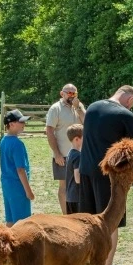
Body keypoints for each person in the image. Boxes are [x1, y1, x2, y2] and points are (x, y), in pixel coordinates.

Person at [79, 85, 133, 265]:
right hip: (108, 175)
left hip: (86, 170)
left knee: (90, 221)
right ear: (130, 100)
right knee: (110, 222)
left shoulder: (93, 108)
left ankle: (95, 261)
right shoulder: (125, 115)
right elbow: (132, 151)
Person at [46, 84, 86, 212]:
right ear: (61, 93)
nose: (72, 95)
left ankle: (79, 212)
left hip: (81, 155)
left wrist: (78, 108)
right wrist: (56, 153)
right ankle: (66, 215)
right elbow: (49, 131)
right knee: (64, 187)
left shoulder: (79, 107)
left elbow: (87, 122)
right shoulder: (55, 109)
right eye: (69, 93)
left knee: (80, 184)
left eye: (74, 93)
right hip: (63, 155)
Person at [0, 109, 35, 227]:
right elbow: (20, 170)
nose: (24, 124)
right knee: (22, 224)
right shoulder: (17, 144)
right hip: (18, 186)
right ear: (11, 124)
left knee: (10, 219)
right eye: (21, 122)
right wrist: (28, 191)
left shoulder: (3, 141)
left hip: (7, 185)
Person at [64, 124, 83, 215]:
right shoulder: (78, 156)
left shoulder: (70, 153)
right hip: (77, 198)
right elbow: (78, 179)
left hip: (70, 197)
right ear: (77, 139)